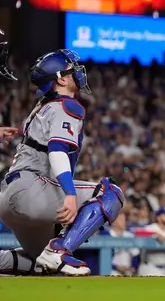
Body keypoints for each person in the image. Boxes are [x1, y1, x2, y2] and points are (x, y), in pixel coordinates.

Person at [0, 49, 125, 276]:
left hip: (7, 199)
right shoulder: (68, 105)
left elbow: (37, 138)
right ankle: (60, 249)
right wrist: (69, 194)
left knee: (42, 265)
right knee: (111, 193)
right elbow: (56, 151)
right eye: (72, 69)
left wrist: (15, 131)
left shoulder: (42, 106)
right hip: (32, 191)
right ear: (61, 78)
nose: (78, 72)